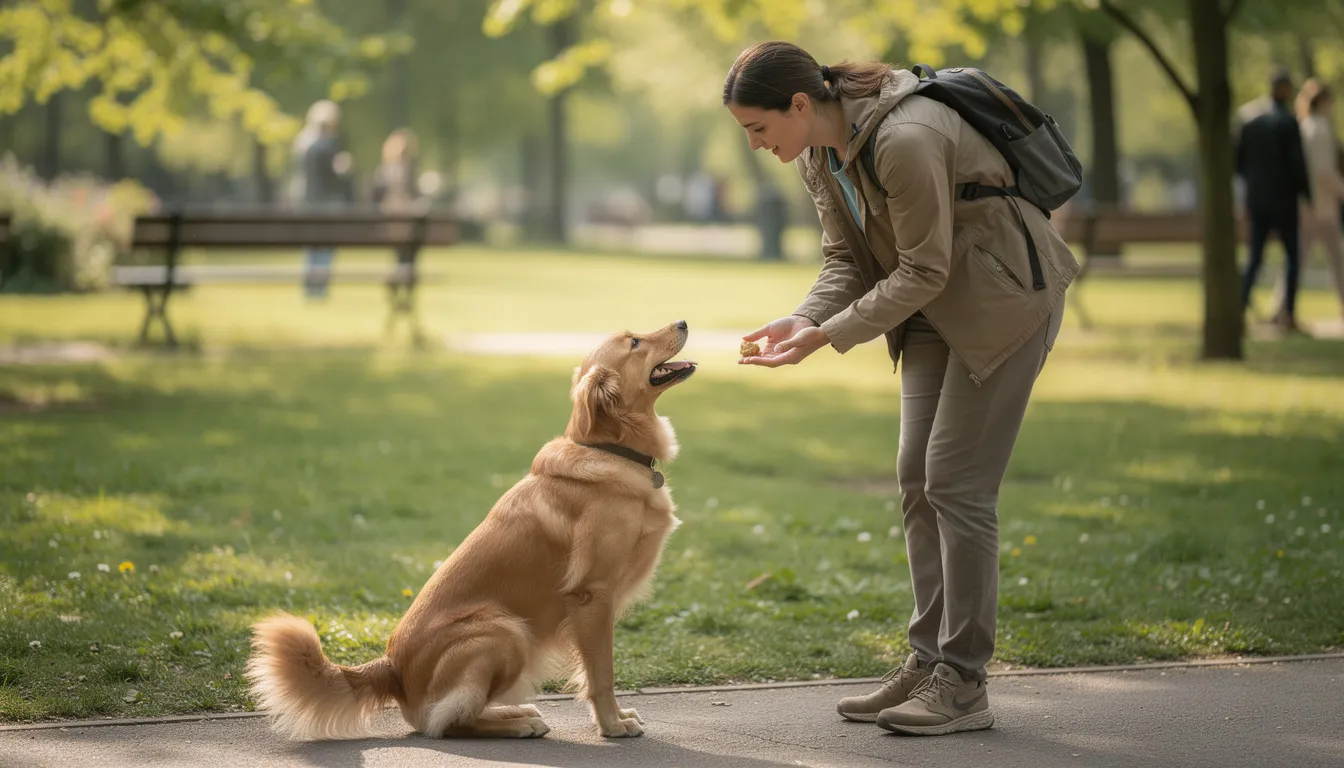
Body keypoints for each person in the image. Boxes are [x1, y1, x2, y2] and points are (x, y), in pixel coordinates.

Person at [722, 41, 1079, 736]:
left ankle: (964, 680)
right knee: (916, 479)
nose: (757, 145)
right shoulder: (821, 154)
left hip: (1003, 301)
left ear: (801, 104)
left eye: (758, 129)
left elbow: (924, 268)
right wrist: (804, 316)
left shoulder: (906, 138)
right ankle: (928, 660)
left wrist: (827, 337)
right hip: (930, 309)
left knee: (956, 484)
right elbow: (844, 259)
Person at [1237, 68, 1312, 332]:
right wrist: (1307, 196)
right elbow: (1297, 166)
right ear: (1284, 89)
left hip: (1257, 200)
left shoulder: (1249, 120)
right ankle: (1288, 314)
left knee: (1255, 256)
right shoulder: (1288, 123)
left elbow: (1239, 164)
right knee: (1292, 256)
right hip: (1284, 202)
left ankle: (1239, 307)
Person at [1288, 79, 1344, 320]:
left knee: (1299, 257)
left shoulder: (1303, 126)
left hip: (1306, 204)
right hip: (1321, 205)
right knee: (1335, 257)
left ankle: (1282, 307)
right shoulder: (1321, 129)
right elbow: (1323, 170)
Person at [292, 100, 351, 300]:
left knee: (311, 247)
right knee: (325, 247)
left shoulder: (302, 144)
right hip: (327, 202)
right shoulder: (327, 146)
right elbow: (334, 176)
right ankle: (320, 288)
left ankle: (310, 286)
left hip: (307, 201)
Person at [371, 128, 424, 268]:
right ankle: (405, 270)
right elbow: (415, 193)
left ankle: (402, 270)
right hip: (401, 216)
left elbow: (376, 196)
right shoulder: (407, 169)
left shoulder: (383, 170)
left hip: (393, 216)